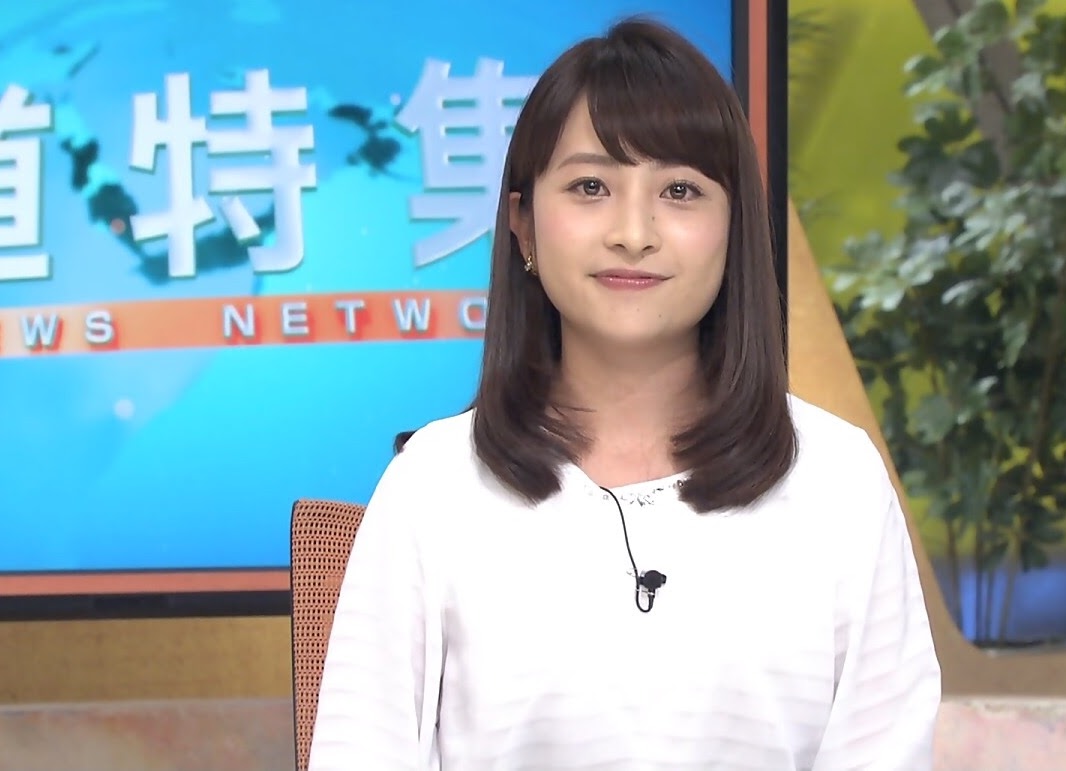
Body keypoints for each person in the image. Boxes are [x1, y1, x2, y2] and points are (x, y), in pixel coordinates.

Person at [308, 18, 941, 771]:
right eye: (590, 187)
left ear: (735, 226)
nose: (633, 232)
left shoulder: (838, 480)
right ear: (522, 225)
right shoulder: (434, 485)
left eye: (679, 190)